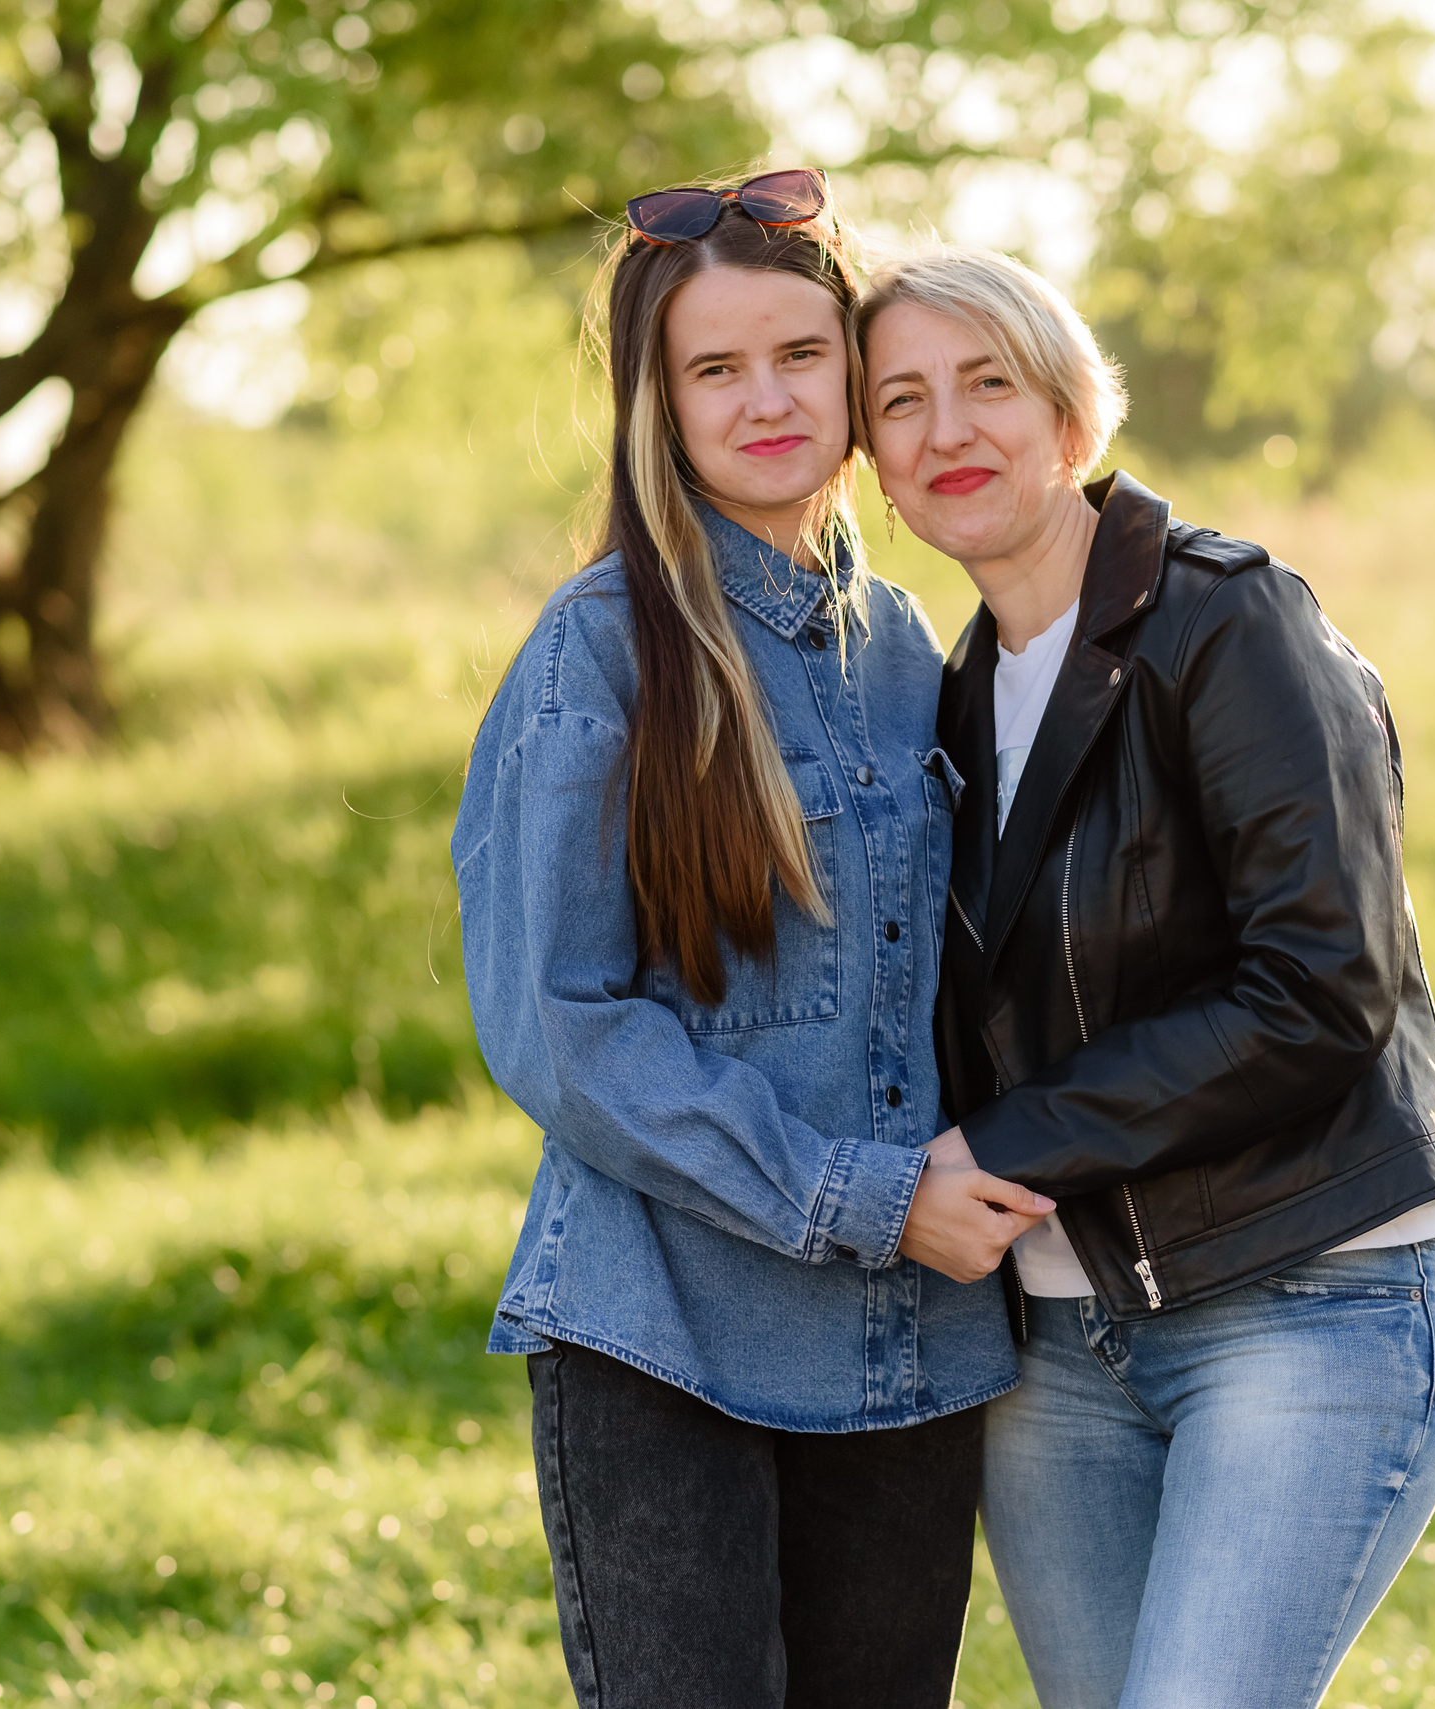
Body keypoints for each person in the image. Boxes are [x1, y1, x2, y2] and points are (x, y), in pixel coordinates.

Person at [452, 178, 1052, 1709]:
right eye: (715, 369)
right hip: (666, 1340)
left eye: (800, 352)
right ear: (656, 405)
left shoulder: (914, 649)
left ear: (859, 374)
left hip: (910, 1353)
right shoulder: (600, 652)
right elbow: (563, 1028)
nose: (767, 398)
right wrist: (864, 1196)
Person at [858, 245, 1435, 1709]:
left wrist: (996, 1151)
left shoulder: (1230, 621)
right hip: (1058, 1349)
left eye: (986, 383)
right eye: (902, 400)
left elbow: (1324, 986)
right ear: (871, 460)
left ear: (1072, 414)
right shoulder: (939, 699)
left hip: (1308, 1298)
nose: (948, 430)